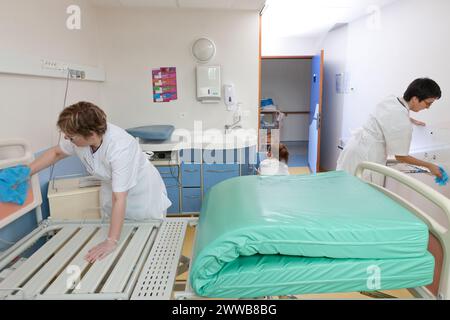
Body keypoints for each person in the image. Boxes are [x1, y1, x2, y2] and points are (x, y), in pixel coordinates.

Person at [29, 102, 171, 262]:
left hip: (141, 197)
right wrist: (25, 173)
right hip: (114, 193)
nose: (66, 138)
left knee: (145, 247)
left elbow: (120, 198)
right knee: (121, 253)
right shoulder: (84, 137)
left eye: (71, 136)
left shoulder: (120, 147)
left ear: (90, 134)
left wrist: (111, 241)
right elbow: (56, 153)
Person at [336, 78, 442, 183]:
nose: (428, 107)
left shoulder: (392, 100)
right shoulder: (402, 122)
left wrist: (411, 119)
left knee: (343, 186)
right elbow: (401, 157)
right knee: (357, 192)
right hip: (367, 155)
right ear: (415, 99)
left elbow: (390, 115)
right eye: (428, 103)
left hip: (354, 147)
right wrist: (429, 165)